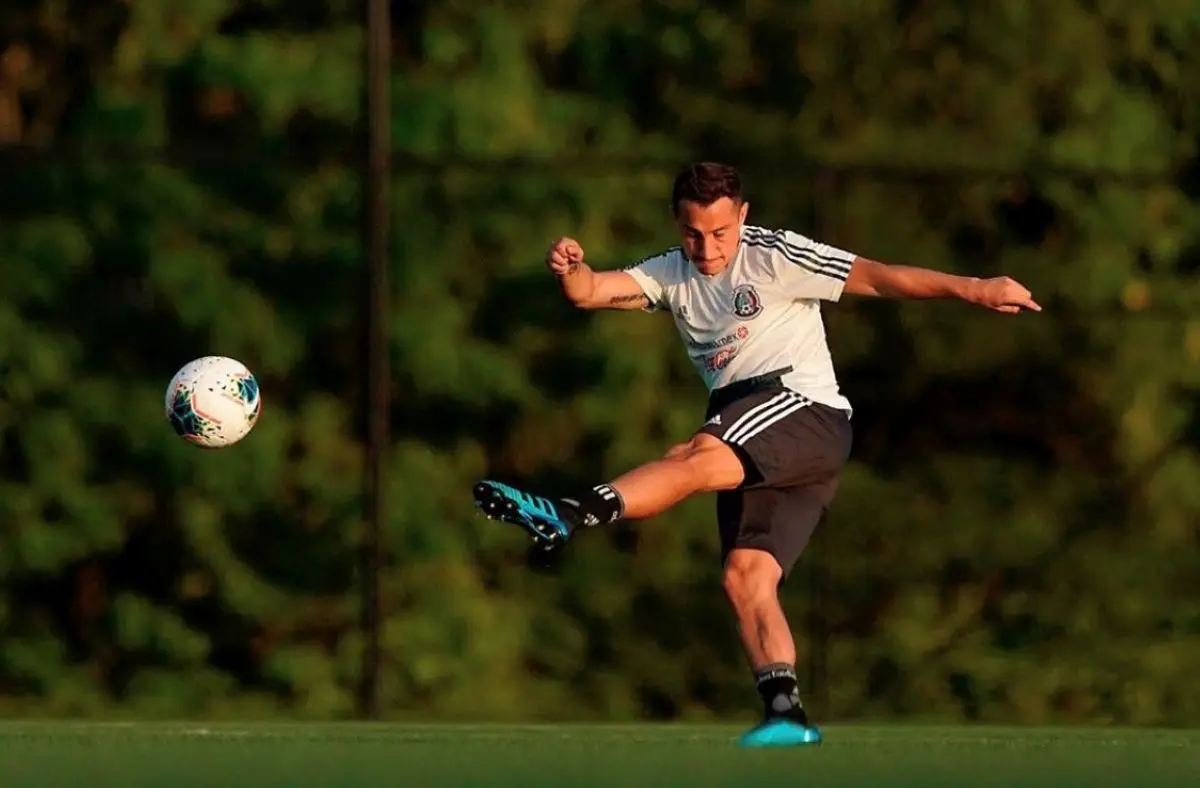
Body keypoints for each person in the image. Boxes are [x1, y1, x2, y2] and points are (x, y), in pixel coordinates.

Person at [472, 162, 1040, 747]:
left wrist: (977, 288)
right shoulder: (670, 272)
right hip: (759, 431)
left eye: (721, 233)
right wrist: (571, 269)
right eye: (694, 234)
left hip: (800, 409)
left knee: (696, 454)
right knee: (746, 577)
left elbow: (879, 277)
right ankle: (786, 714)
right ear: (677, 222)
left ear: (743, 217)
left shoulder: (774, 255)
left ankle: (570, 513)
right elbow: (590, 292)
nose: (708, 249)